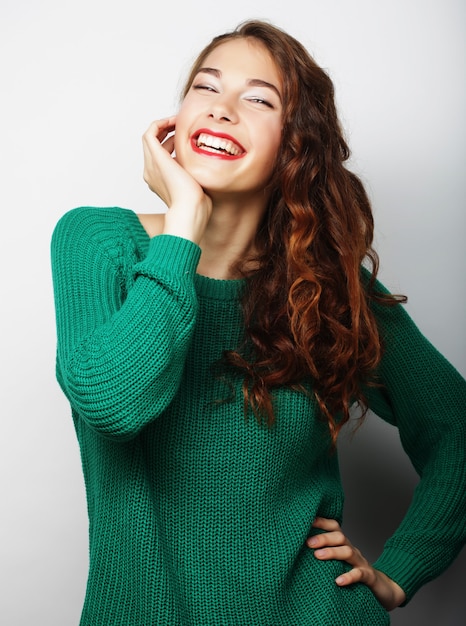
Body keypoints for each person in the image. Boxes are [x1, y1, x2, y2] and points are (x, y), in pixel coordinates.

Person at [50, 19, 466, 626]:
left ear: (296, 145)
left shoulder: (325, 289)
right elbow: (114, 402)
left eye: (258, 99)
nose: (221, 110)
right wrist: (185, 222)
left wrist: (400, 570)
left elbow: (456, 423)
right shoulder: (98, 242)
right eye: (205, 88)